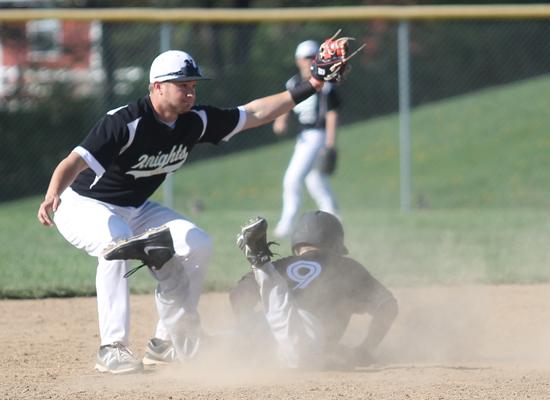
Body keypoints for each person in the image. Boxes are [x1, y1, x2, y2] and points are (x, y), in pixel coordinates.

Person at [36, 49, 328, 374]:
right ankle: (112, 347)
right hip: (80, 203)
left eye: (192, 86)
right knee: (114, 242)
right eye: (182, 85)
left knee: (198, 243)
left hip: (136, 208)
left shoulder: (195, 121)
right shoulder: (126, 121)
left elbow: (255, 113)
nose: (190, 92)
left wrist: (312, 84)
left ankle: (167, 341)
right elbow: (74, 161)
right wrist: (53, 193)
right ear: (157, 86)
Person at [231, 211, 398, 369]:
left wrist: (249, 331)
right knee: (298, 348)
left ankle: (261, 265)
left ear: (297, 246)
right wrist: (365, 350)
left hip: (267, 329)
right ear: (335, 245)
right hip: (305, 337)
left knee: (236, 339)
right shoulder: (346, 267)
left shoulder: (281, 265)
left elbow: (238, 295)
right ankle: (260, 263)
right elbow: (387, 305)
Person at [272, 40, 342, 238]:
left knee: (292, 179)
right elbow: (285, 102)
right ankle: (334, 217)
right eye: (307, 57)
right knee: (315, 180)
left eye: (314, 56)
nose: (311, 60)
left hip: (316, 134)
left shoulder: (325, 84)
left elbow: (331, 113)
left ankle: (287, 223)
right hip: (303, 136)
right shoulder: (293, 83)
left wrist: (330, 143)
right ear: (298, 60)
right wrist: (280, 120)